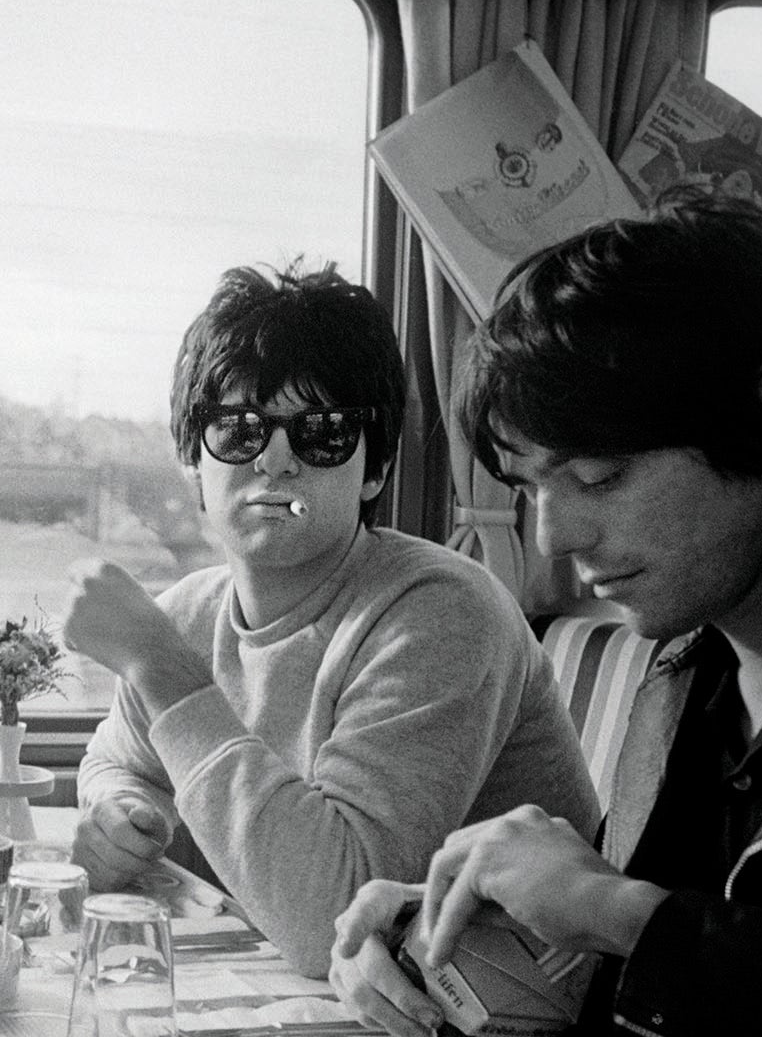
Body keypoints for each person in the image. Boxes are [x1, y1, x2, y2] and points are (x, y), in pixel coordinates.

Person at [329, 193, 762, 1037]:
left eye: (599, 476)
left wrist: (615, 911)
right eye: (531, 487)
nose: (557, 537)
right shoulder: (683, 676)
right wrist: (459, 979)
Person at [61, 262, 598, 974]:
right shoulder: (189, 612)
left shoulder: (441, 613)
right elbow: (115, 759)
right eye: (239, 429)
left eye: (320, 434)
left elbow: (335, 921)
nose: (276, 463)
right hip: (341, 1018)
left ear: (374, 470)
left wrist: (159, 667)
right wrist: (122, 812)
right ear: (194, 463)